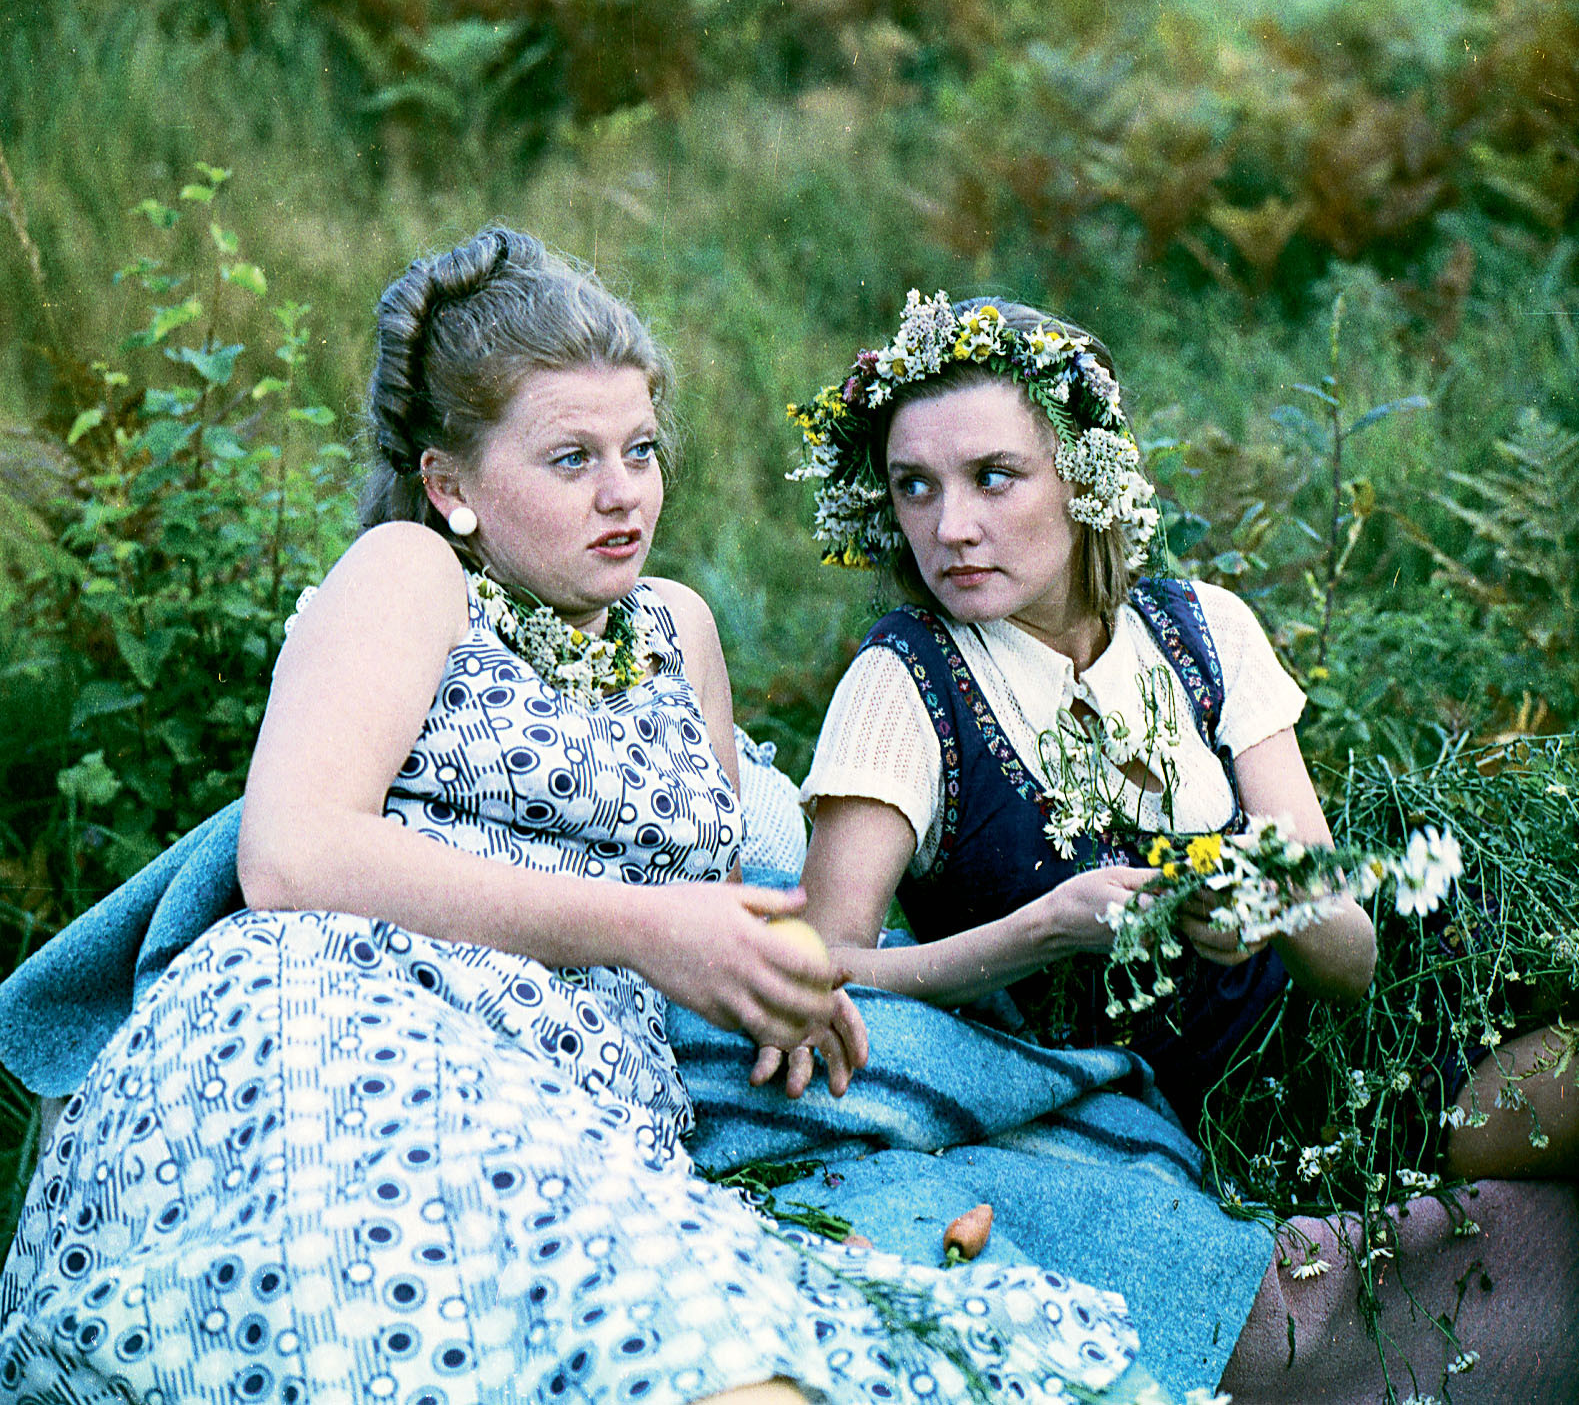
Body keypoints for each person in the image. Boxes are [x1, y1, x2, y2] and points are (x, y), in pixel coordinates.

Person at [0, 237, 1146, 1405]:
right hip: (344, 1014)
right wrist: (645, 927)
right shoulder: (411, 573)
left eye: (640, 449)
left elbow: (716, 909)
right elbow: (291, 852)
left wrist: (784, 979)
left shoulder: (679, 629)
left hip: (578, 1090)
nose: (623, 492)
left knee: (714, 1343)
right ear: (450, 484)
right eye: (570, 458)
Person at [767, 289, 1578, 1183]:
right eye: (913, 485)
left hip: (1381, 1029)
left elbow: (1352, 963)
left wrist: (1277, 907)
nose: (949, 528)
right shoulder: (904, 679)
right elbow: (816, 968)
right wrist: (1044, 931)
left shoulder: (1206, 630)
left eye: (992, 476)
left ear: (1084, 477)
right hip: (1227, 1125)